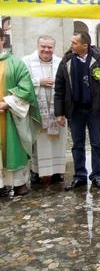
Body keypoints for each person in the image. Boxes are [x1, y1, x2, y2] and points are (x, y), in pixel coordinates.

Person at [54, 32, 100, 191]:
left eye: (75, 42)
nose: (71, 45)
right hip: (75, 110)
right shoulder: (66, 61)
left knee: (96, 143)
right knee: (77, 144)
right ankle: (80, 176)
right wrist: (59, 113)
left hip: (95, 110)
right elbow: (59, 88)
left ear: (84, 46)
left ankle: (96, 175)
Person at [0, 28, 41, 197]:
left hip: (10, 116)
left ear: (2, 39)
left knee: (14, 148)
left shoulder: (16, 63)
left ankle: (18, 184)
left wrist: (6, 103)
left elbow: (26, 90)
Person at [23, 35, 67, 185]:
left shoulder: (61, 62)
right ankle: (36, 171)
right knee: (38, 143)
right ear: (38, 46)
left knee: (57, 142)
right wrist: (38, 82)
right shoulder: (27, 62)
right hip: (37, 112)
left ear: (53, 48)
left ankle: (57, 171)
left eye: (49, 47)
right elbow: (22, 83)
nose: (46, 50)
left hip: (57, 110)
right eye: (43, 47)